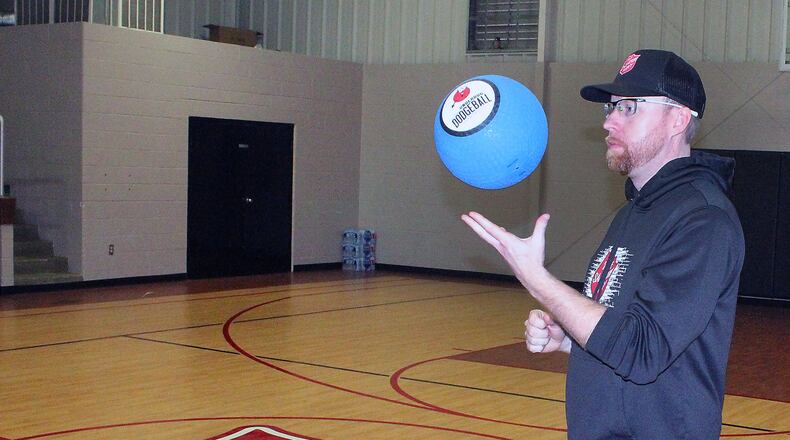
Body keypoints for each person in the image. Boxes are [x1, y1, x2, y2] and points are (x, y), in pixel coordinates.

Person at [462, 49, 744, 439]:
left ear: (678, 118)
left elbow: (643, 351)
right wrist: (570, 342)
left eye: (629, 107)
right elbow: (621, 328)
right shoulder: (631, 214)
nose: (609, 120)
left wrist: (537, 279)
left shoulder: (703, 220)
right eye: (610, 108)